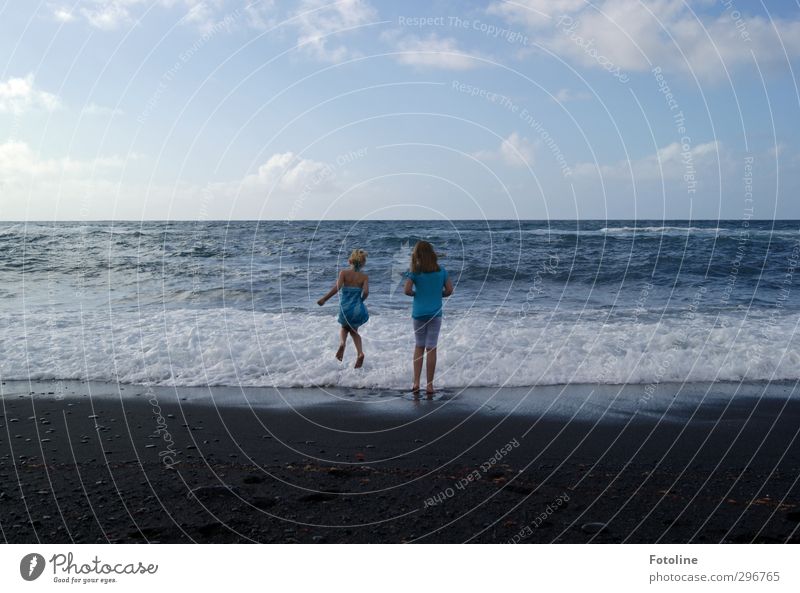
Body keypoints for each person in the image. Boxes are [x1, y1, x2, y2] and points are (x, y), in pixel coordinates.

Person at [404, 241, 453, 398]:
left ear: (417, 255)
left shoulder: (415, 272)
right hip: (435, 314)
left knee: (419, 346)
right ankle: (430, 385)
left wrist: (416, 294)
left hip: (418, 314)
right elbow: (450, 290)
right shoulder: (442, 271)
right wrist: (439, 295)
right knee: (431, 348)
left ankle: (416, 383)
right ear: (432, 253)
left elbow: (407, 290)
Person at [318, 249, 369, 368]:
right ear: (363, 263)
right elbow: (366, 292)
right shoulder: (364, 277)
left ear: (350, 261)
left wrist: (324, 299)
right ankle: (360, 353)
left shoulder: (343, 273)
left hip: (345, 307)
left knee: (344, 327)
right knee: (354, 331)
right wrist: (361, 300)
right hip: (357, 308)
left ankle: (342, 344)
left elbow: (336, 288)